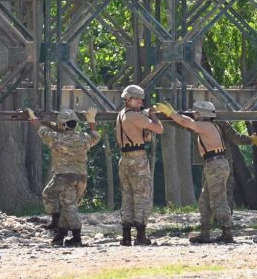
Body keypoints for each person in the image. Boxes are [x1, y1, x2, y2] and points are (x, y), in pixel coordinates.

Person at [156, 100, 234, 244]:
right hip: (214, 164)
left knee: (218, 199)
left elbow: (186, 122)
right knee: (205, 200)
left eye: (196, 112)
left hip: (215, 164)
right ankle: (205, 233)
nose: (194, 114)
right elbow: (185, 122)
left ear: (203, 114)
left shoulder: (205, 126)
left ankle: (227, 232)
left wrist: (171, 113)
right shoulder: (210, 125)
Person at [30, 107, 100, 247]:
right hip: (81, 178)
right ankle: (60, 233)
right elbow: (95, 136)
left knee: (68, 206)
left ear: (62, 125)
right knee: (64, 203)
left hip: (65, 178)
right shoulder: (83, 138)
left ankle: (76, 236)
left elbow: (39, 128)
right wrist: (91, 119)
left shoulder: (56, 138)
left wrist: (32, 115)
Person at [116, 85, 164, 246]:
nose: (140, 102)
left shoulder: (121, 115)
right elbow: (159, 129)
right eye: (137, 99)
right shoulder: (135, 117)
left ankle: (126, 236)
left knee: (128, 196)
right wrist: (152, 115)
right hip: (138, 158)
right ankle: (141, 235)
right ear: (128, 99)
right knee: (142, 196)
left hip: (124, 158)